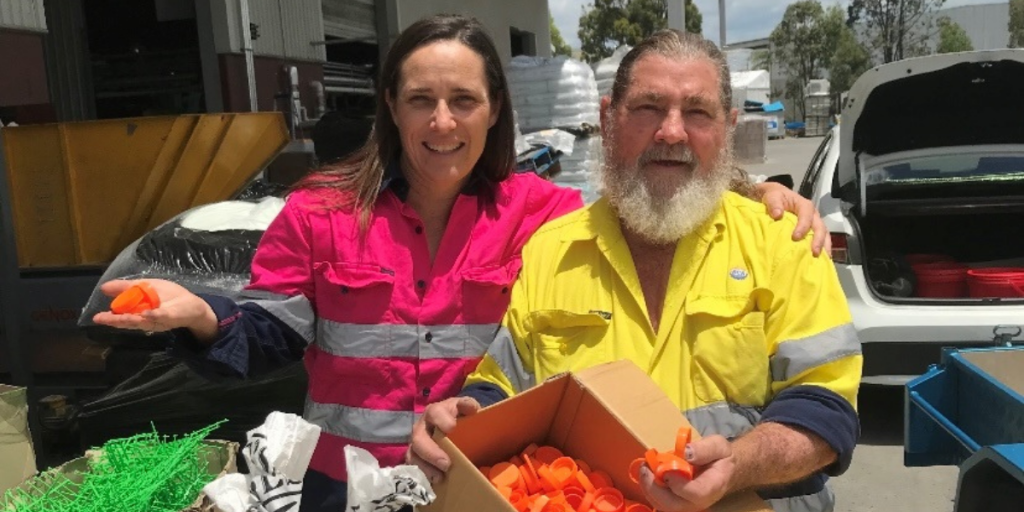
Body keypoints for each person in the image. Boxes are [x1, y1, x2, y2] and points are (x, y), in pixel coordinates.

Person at [92, 15, 832, 512]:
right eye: (421, 100)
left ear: (493, 111)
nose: (442, 122)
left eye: (463, 100)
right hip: (340, 491)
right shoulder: (319, 211)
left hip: (469, 493)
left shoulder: (542, 216)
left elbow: (653, 187)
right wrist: (200, 318)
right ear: (391, 107)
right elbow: (268, 337)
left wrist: (753, 188)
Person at [408, 29, 862, 512]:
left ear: (727, 128)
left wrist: (739, 462)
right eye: (647, 108)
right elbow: (502, 383)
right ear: (608, 119)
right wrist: (462, 419)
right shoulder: (551, 251)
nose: (671, 131)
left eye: (697, 112)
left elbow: (826, 409)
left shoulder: (782, 244)